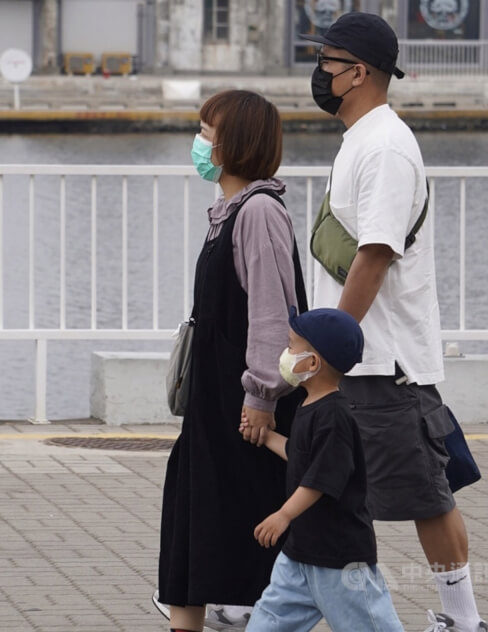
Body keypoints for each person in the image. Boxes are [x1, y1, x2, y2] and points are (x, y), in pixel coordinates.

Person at [298, 12, 488, 632]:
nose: (317, 74)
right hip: (366, 355)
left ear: (357, 73)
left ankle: (462, 621)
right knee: (325, 484)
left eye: (325, 62)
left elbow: (375, 255)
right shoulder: (362, 139)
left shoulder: (385, 146)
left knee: (423, 493)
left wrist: (331, 346)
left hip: (381, 362)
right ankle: (262, 601)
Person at [155, 90, 308, 632]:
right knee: (193, 521)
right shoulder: (231, 211)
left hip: (244, 407)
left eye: (205, 130)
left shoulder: (260, 211)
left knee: (249, 534)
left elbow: (272, 314)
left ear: (232, 141)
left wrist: (261, 397)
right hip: (214, 401)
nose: (199, 142)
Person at [241, 307, 403, 632]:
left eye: (291, 346)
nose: (285, 354)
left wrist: (283, 515)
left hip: (338, 559)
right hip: (299, 555)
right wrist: (267, 437)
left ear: (312, 363)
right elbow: (302, 456)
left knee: (370, 625)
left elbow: (321, 477)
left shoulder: (335, 416)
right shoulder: (309, 405)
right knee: (267, 623)